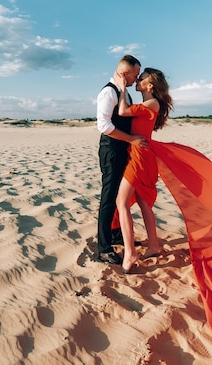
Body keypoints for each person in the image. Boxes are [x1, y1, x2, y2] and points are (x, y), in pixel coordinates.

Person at [113, 67, 173, 273]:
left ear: (150, 85)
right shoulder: (147, 103)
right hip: (139, 154)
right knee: (143, 202)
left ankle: (130, 253)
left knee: (121, 202)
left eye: (141, 78)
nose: (137, 79)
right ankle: (154, 245)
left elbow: (122, 111)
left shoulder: (152, 103)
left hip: (140, 157)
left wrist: (121, 88)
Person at [95, 54, 146, 265]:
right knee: (108, 198)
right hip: (112, 151)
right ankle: (103, 248)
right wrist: (132, 139)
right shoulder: (109, 92)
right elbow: (104, 126)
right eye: (135, 75)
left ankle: (115, 233)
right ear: (124, 74)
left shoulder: (122, 92)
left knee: (117, 195)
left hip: (121, 149)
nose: (136, 79)